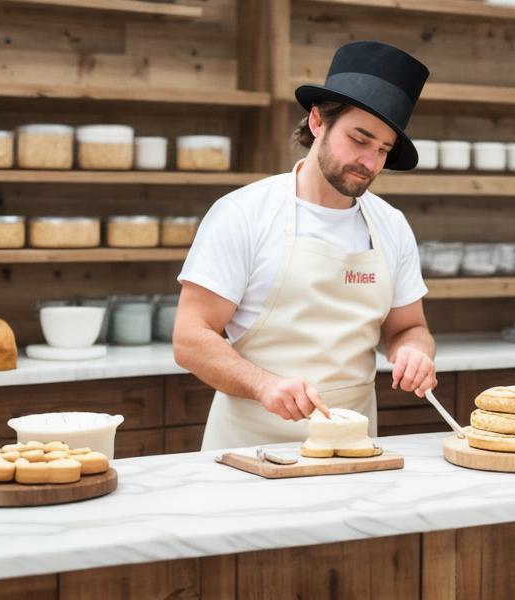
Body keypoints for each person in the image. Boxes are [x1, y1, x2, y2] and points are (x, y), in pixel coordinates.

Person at [173, 41, 438, 450]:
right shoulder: (244, 213)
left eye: (383, 149)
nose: (370, 162)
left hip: (352, 449)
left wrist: (415, 352)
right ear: (317, 121)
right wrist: (265, 385)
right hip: (249, 451)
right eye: (360, 139)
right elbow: (191, 337)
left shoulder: (391, 225)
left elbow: (409, 327)